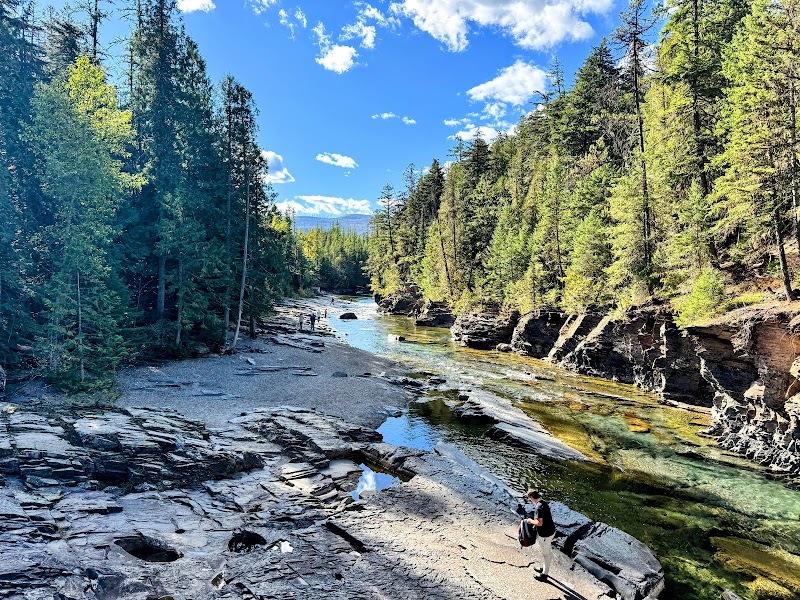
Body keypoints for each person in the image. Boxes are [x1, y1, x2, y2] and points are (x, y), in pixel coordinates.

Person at [523, 489, 556, 581]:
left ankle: (544, 575)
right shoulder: (543, 503)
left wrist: (530, 521)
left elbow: (539, 522)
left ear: (531, 497)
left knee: (546, 554)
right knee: (546, 552)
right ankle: (544, 567)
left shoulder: (538, 507)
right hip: (551, 531)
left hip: (546, 534)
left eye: (530, 499)